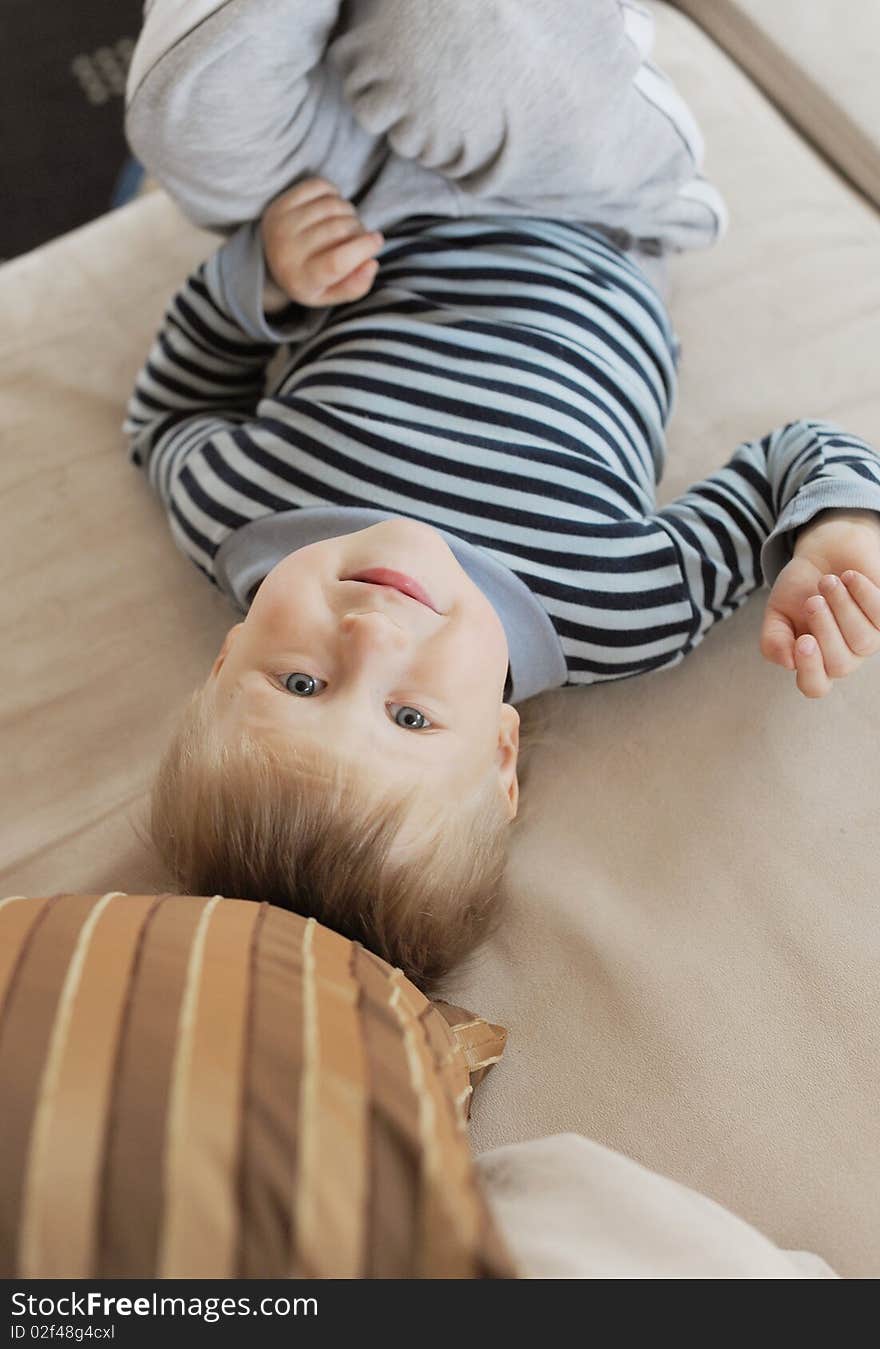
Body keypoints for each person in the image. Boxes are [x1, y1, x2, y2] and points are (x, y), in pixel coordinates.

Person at [123, 5, 880, 993]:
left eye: (300, 684)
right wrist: (833, 527)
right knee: (445, 44)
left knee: (190, 123)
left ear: (227, 659)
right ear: (500, 750)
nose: (371, 636)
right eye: (408, 718)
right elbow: (795, 456)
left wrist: (259, 279)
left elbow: (168, 410)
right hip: (578, 199)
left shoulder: (241, 516)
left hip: (337, 196)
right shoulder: (613, 607)